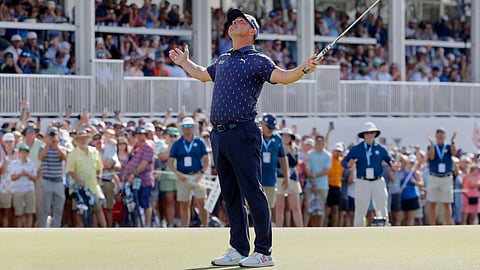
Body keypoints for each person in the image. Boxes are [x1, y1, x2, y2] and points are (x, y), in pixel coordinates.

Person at [168, 8, 319, 268]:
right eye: (233, 20)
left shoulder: (258, 60)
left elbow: (283, 77)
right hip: (219, 134)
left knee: (252, 192)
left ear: (252, 32)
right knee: (230, 194)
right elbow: (204, 74)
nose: (235, 21)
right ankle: (238, 248)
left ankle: (264, 252)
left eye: (242, 20)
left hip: (244, 131)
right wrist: (184, 63)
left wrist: (304, 68)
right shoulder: (225, 59)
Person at [341, 122, 398, 227]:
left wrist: (393, 164)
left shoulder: (381, 149)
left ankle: (385, 227)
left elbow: (390, 159)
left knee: (382, 206)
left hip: (378, 180)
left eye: (372, 133)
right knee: (361, 208)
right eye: (367, 133)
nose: (369, 135)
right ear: (363, 135)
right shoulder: (357, 149)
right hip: (363, 181)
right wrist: (349, 164)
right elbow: (344, 162)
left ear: (375, 134)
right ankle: (358, 230)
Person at [168, 117, 210, 227]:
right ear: (182, 128)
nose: (188, 128)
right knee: (184, 203)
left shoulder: (199, 142)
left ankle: (206, 226)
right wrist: (178, 174)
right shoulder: (177, 143)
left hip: (198, 175)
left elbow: (207, 160)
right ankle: (185, 228)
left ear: (193, 127)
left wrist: (201, 173)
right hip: (183, 176)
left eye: (190, 126)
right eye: (186, 126)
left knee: (202, 202)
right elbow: (171, 162)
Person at [65, 129, 106, 227]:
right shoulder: (72, 154)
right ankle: (81, 231)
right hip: (78, 188)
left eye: (85, 138)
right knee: (79, 210)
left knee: (97, 209)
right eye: (81, 138)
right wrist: (78, 180)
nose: (83, 140)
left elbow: (100, 166)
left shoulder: (94, 151)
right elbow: (70, 170)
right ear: (77, 140)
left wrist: (99, 176)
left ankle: (105, 229)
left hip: (92, 187)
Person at [122, 126, 155, 227]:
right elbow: (131, 162)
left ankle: (147, 225)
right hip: (133, 180)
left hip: (144, 180)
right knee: (135, 204)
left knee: (146, 204)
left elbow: (144, 164)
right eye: (137, 134)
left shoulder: (148, 146)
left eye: (141, 134)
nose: (139, 136)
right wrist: (125, 174)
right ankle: (138, 225)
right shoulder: (136, 146)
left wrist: (133, 174)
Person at [38, 127, 67, 227]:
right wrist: (47, 144)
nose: (52, 138)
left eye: (54, 135)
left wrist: (57, 146)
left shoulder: (61, 148)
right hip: (47, 181)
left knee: (58, 209)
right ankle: (42, 229)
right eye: (50, 135)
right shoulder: (42, 147)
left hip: (58, 182)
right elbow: (40, 158)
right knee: (44, 209)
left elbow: (64, 158)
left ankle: (56, 229)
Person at [426, 128, 456, 225]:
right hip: (434, 176)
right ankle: (432, 226)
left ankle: (448, 224)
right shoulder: (432, 147)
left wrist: (453, 141)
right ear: (436, 136)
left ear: (445, 136)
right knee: (432, 203)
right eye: (439, 135)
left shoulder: (448, 146)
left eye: (442, 135)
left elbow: (454, 153)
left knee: (447, 203)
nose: (440, 137)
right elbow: (431, 156)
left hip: (446, 177)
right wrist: (431, 143)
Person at [304, 135, 332, 227]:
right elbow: (308, 169)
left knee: (321, 209)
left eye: (321, 142)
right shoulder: (309, 154)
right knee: (307, 207)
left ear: (324, 143)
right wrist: (313, 182)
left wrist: (314, 175)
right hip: (310, 185)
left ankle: (320, 228)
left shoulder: (328, 155)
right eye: (317, 142)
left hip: (323, 186)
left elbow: (326, 170)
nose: (319, 144)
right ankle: (304, 227)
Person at [11, 145, 37, 227]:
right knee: (18, 213)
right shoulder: (14, 164)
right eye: (22, 152)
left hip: (29, 190)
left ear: (28, 153)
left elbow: (35, 178)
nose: (23, 154)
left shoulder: (32, 163)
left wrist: (27, 174)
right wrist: (20, 175)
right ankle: (19, 231)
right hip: (18, 190)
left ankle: (28, 230)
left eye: (25, 152)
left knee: (29, 213)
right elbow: (12, 177)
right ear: (19, 153)